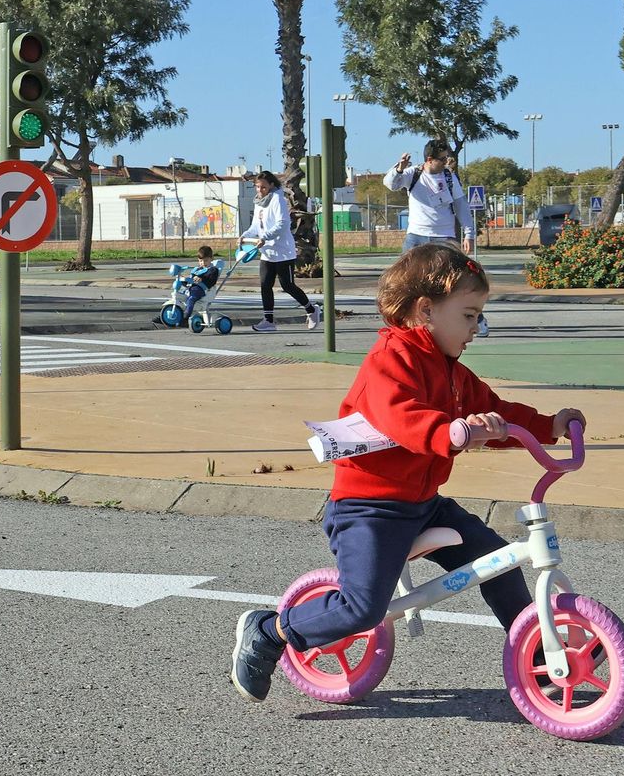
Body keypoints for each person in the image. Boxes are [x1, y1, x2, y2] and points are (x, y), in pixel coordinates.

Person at [229, 243, 585, 702]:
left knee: (498, 562)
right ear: (426, 311)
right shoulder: (390, 361)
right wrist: (451, 431)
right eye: (469, 315)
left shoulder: (453, 372)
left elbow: (494, 409)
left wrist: (546, 425)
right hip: (368, 508)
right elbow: (401, 415)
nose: (476, 328)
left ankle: (540, 658)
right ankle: (269, 630)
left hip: (423, 504)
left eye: (478, 317)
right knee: (362, 608)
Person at [383, 139, 489, 337]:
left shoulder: (449, 177)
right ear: (430, 160)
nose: (446, 161)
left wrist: (469, 233)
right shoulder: (413, 174)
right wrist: (399, 168)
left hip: (444, 237)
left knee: (454, 283)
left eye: (447, 157)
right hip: (416, 236)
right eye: (442, 159)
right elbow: (390, 184)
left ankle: (478, 318)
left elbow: (461, 206)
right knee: (404, 280)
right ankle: (403, 321)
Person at [240, 170, 320, 332]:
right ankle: (268, 321)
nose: (260, 190)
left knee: (288, 285)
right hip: (267, 251)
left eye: (263, 187)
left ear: (271, 185)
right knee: (265, 285)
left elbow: (282, 223)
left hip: (283, 251)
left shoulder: (278, 199)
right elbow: (256, 225)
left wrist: (266, 237)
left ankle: (312, 310)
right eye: (257, 187)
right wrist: (245, 235)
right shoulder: (258, 202)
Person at [177, 245, 222, 318]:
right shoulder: (198, 269)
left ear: (211, 259)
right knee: (178, 291)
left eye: (206, 260)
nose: (203, 263)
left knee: (191, 299)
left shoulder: (213, 270)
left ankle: (186, 316)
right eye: (201, 261)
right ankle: (170, 311)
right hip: (191, 287)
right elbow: (192, 278)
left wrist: (202, 279)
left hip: (201, 290)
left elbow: (211, 281)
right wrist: (185, 279)